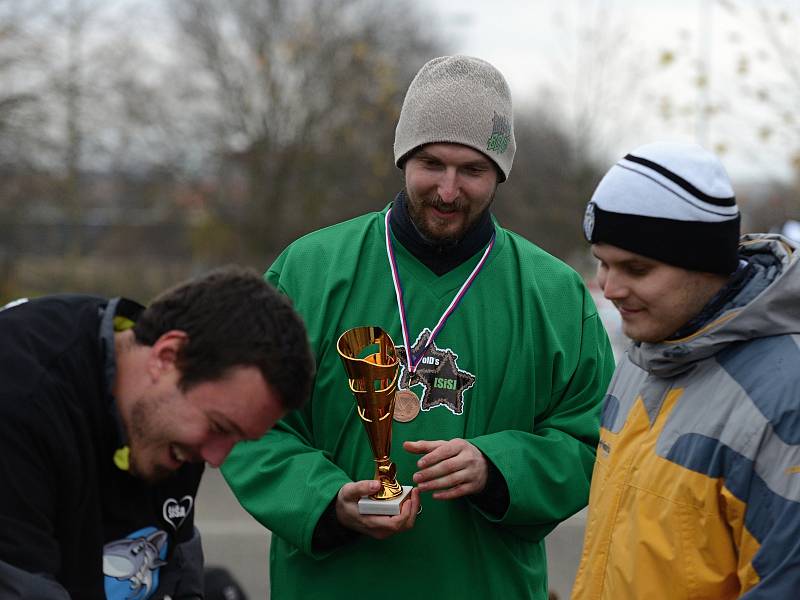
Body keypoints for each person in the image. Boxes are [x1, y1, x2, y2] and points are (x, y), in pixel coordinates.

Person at [221, 55, 615, 599]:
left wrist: (498, 467)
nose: (448, 190)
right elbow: (244, 420)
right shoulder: (308, 271)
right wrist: (326, 502)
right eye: (431, 162)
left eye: (472, 169)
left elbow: (594, 440)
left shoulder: (555, 296)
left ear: (499, 173)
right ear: (403, 157)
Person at [0, 266, 314, 600]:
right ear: (167, 357)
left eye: (237, 440)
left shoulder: (167, 420)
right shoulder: (20, 394)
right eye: (220, 427)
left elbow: (175, 572)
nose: (216, 458)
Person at [572, 141, 800, 599]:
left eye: (636, 268)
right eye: (602, 261)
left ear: (705, 264)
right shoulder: (641, 360)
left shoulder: (783, 399)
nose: (609, 287)